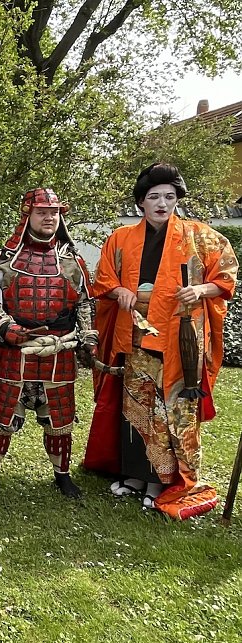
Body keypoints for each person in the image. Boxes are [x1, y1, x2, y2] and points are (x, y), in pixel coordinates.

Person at [84, 163, 238, 519]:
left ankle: (163, 482)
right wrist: (121, 289)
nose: (162, 203)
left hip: (181, 340)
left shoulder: (201, 237)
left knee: (171, 411)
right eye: (154, 196)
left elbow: (226, 277)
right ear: (141, 202)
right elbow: (104, 278)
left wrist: (201, 288)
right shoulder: (121, 238)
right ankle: (136, 476)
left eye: (169, 196)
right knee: (137, 407)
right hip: (136, 336)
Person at [0, 188, 96, 498]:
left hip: (59, 349)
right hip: (15, 350)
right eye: (43, 211)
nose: (49, 217)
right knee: (2, 414)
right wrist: (6, 327)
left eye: (54, 212)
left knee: (60, 417)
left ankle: (62, 475)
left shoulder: (72, 260)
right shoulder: (7, 259)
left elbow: (85, 303)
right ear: (27, 214)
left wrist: (88, 338)